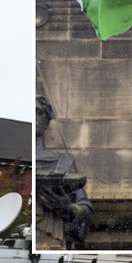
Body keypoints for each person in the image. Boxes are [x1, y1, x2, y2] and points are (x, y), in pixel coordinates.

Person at [34, 95, 94, 250]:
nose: (33, 116)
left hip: (49, 240)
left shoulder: (63, 163)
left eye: (38, 112)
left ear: (47, 121)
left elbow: (85, 208)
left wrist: (68, 207)